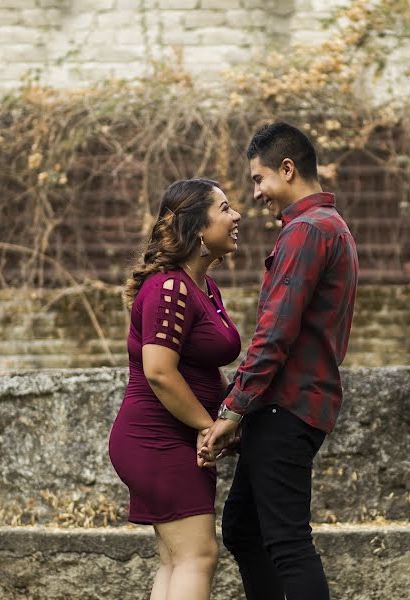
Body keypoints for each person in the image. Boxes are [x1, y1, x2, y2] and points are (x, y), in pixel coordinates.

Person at [200, 122, 359, 600]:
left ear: (287, 169)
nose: (256, 194)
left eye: (258, 179)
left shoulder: (307, 232)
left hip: (284, 407)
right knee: (244, 530)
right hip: (290, 406)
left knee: (288, 544)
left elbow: (273, 334)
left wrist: (232, 412)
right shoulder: (331, 227)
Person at [108, 178, 242, 600]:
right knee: (196, 555)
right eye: (224, 208)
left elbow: (201, 366)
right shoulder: (171, 287)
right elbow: (160, 371)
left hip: (177, 439)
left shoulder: (203, 286)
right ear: (198, 227)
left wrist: (228, 415)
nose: (236, 216)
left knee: (178, 559)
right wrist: (210, 427)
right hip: (156, 438)